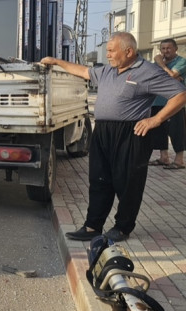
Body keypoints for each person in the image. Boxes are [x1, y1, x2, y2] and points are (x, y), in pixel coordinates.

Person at [41, 32, 186, 242]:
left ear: (128, 51)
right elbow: (83, 71)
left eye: (111, 50)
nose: (107, 54)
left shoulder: (148, 71)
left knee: (127, 182)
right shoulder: (108, 71)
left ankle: (122, 227)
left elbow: (180, 94)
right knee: (99, 180)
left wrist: (156, 120)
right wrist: (56, 61)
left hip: (131, 133)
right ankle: (92, 226)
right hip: (103, 132)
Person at [148, 39, 186, 168]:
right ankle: (164, 157)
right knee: (158, 130)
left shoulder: (181, 61)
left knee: (177, 131)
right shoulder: (156, 64)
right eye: (163, 48)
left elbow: (171, 75)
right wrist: (170, 76)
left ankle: (179, 160)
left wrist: (161, 65)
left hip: (175, 102)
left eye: (168, 48)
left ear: (175, 49)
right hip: (157, 101)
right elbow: (153, 78)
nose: (165, 51)